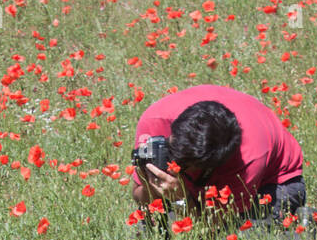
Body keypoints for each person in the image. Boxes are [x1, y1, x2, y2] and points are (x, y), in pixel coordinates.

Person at [130, 84, 305, 227]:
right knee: (148, 228)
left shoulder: (248, 158)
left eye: (183, 164)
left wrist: (181, 199)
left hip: (275, 181)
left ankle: (308, 225)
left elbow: (211, 227)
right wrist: (151, 186)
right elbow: (139, 196)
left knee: (237, 235)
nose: (173, 162)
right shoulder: (155, 122)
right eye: (171, 148)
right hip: (202, 177)